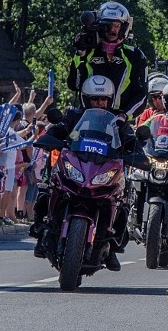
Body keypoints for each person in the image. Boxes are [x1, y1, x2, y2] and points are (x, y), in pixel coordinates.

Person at [32, 75, 145, 269]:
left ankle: (110, 244)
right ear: (86, 98)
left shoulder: (118, 122)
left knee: (121, 202)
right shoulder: (73, 116)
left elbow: (131, 141)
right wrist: (50, 138)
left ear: (109, 100)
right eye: (95, 99)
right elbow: (58, 129)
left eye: (104, 99)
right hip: (77, 163)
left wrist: (138, 155)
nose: (100, 103)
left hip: (104, 168)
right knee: (46, 190)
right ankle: (42, 233)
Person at [67, 0, 148, 119]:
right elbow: (74, 85)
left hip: (119, 119)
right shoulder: (88, 51)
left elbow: (142, 94)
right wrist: (80, 54)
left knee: (134, 138)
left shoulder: (135, 55)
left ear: (124, 27)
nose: (112, 30)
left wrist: (124, 115)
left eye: (117, 25)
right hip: (87, 117)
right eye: (108, 25)